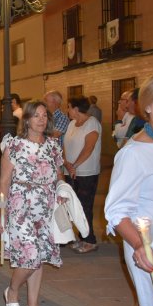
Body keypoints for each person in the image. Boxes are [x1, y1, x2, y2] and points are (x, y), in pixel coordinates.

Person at [0, 100, 64, 306]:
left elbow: (58, 175)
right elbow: (4, 182)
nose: (42, 119)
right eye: (36, 115)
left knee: (40, 257)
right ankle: (12, 290)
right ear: (26, 120)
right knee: (30, 256)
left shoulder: (53, 146)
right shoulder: (14, 145)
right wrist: (1, 213)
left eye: (44, 115)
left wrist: (62, 189)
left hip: (45, 207)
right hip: (20, 206)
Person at [104, 73, 153, 306]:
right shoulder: (134, 153)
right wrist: (140, 245)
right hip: (152, 244)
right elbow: (116, 210)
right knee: (150, 305)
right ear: (147, 105)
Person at [63, 95, 102, 254]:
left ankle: (90, 240)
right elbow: (65, 145)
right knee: (73, 206)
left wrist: (75, 165)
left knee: (85, 206)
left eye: (69, 107)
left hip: (86, 173)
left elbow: (89, 147)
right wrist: (66, 163)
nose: (68, 110)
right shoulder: (72, 124)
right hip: (69, 170)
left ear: (76, 108)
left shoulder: (92, 123)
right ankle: (81, 237)